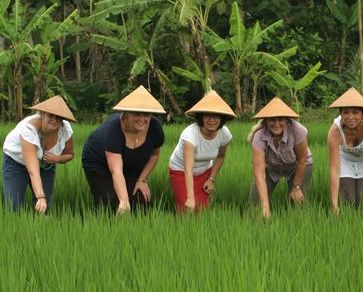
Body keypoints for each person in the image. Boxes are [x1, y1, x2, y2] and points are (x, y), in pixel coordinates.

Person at [82, 85, 165, 214]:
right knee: (109, 203)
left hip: (130, 163)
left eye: (146, 114)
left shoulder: (155, 127)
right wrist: (124, 201)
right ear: (126, 113)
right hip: (99, 163)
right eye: (136, 114)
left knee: (141, 199)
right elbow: (116, 169)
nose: (142, 119)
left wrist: (142, 180)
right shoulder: (113, 129)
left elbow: (155, 155)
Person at [2, 96, 76, 214]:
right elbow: (33, 171)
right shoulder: (28, 129)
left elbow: (70, 154)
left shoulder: (65, 129)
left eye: (58, 117)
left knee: (44, 209)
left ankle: (41, 229)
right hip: (16, 163)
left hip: (46, 166)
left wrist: (57, 158)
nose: (54, 120)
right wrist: (40, 197)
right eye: (50, 115)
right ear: (42, 114)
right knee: (14, 206)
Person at [169, 90, 236, 212]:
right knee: (185, 208)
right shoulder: (190, 135)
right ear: (201, 117)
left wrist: (211, 179)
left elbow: (220, 157)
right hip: (181, 171)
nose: (212, 120)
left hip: (204, 171)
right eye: (207, 115)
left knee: (201, 210)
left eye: (216, 116)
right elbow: (188, 168)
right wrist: (190, 197)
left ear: (222, 119)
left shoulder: (224, 133)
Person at [248, 97, 313, 219]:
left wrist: (296, 187)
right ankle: (257, 228)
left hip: (298, 166)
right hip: (271, 168)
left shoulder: (297, 130)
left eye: (280, 119)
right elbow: (259, 173)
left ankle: (298, 226)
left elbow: (302, 160)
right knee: (256, 203)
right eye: (272, 119)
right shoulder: (259, 136)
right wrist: (265, 207)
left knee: (297, 202)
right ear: (266, 121)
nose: (276, 124)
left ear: (287, 120)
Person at [327, 87, 363, 214]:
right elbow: (334, 169)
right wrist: (334, 206)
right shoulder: (335, 130)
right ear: (340, 114)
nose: (350, 117)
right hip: (346, 161)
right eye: (346, 112)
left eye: (355, 112)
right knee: (348, 200)